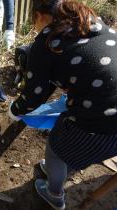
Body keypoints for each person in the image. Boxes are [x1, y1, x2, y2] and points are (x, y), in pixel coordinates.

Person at [8, 0, 117, 209]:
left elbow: (34, 97)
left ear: (39, 16)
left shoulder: (47, 42)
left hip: (106, 124)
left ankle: (54, 195)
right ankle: (60, 165)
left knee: (57, 146)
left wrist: (15, 110)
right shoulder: (90, 21)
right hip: (110, 107)